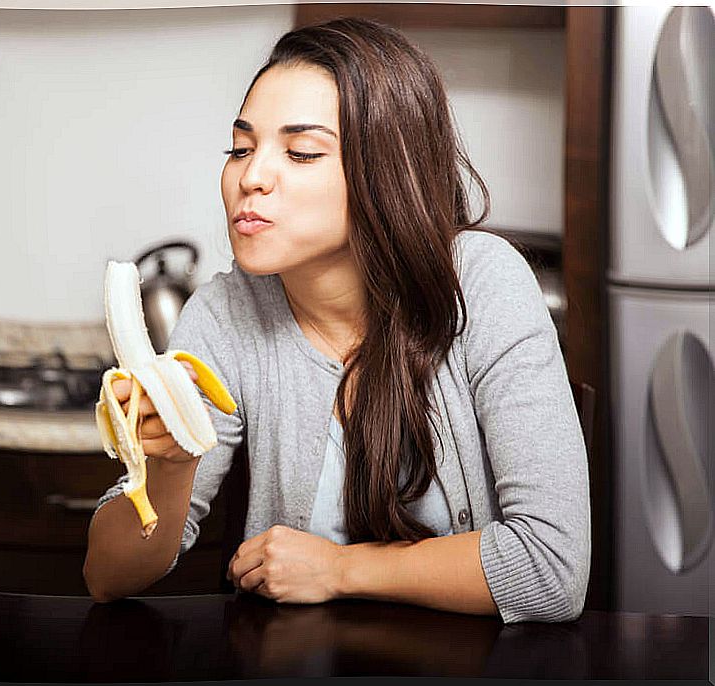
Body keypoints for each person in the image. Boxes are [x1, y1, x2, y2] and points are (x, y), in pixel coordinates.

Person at [83, 17, 590, 624]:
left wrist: (340, 570)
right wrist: (170, 463)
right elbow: (107, 577)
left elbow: (553, 569)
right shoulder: (227, 313)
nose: (252, 177)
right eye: (241, 148)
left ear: (385, 172)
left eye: (300, 153)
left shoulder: (481, 283)